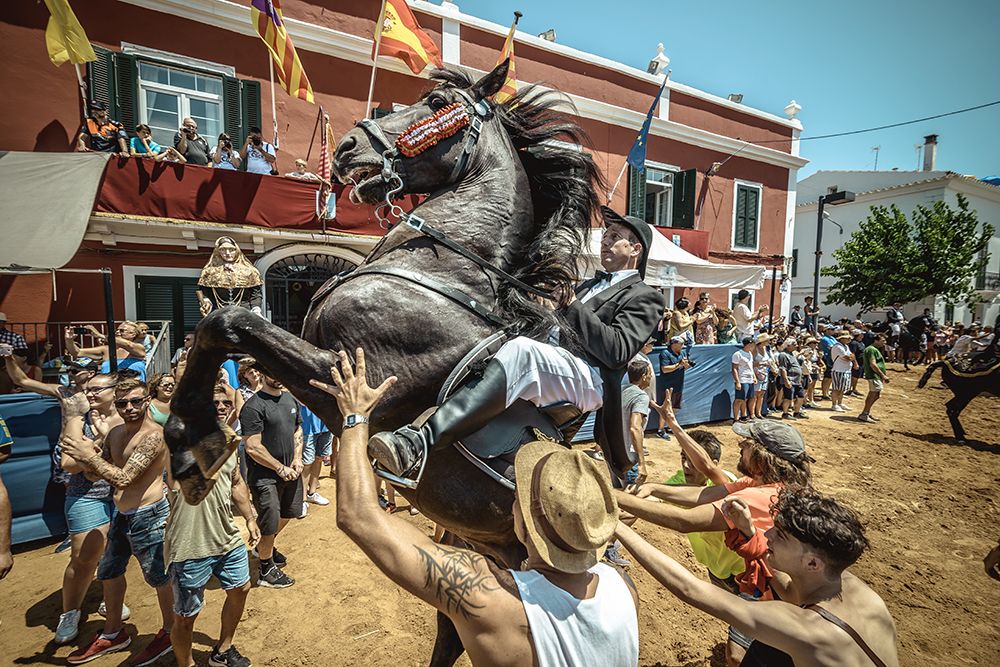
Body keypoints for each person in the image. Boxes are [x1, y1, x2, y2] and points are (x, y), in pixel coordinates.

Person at [311, 348, 640, 667]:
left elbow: (358, 516)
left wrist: (355, 415)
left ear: (524, 521)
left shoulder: (492, 599)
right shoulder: (623, 589)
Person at [368, 206, 664, 485]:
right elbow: (564, 321)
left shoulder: (646, 296)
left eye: (615, 236)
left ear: (635, 249)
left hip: (591, 377)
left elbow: (617, 351)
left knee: (523, 351)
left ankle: (418, 443)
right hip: (559, 364)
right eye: (606, 234)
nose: (605, 240)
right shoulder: (589, 284)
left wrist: (571, 303)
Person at [617, 485, 899, 667]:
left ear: (812, 562)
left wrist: (618, 527)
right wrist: (749, 533)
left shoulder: (809, 630)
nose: (768, 534)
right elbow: (789, 589)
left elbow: (691, 590)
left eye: (781, 535)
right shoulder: (852, 586)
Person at [618, 419, 814, 665]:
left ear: (763, 457)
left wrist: (614, 497)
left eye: (748, 443)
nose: (741, 445)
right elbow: (707, 494)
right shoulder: (761, 483)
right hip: (772, 582)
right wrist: (655, 489)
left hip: (775, 590)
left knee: (742, 655)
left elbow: (687, 521)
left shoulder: (759, 496)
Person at [61, 378, 174, 666]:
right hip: (121, 515)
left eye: (136, 401)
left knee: (161, 579)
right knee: (109, 573)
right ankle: (113, 634)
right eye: (123, 403)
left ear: (147, 400)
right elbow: (97, 474)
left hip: (149, 516)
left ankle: (170, 633)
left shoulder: (155, 435)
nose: (130, 407)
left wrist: (89, 457)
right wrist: (88, 457)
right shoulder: (115, 433)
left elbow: (125, 477)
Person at [166, 385, 259, 667]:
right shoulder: (181, 442)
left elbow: (236, 483)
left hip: (226, 535)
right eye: (213, 402)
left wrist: (250, 517)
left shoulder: (230, 443)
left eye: (225, 402)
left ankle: (223, 649)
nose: (220, 406)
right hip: (189, 543)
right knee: (185, 616)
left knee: (241, 589)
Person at [54, 373, 129, 645]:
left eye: (97, 389)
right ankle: (70, 611)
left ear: (115, 390)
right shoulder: (77, 420)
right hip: (86, 495)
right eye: (88, 389)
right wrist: (98, 461)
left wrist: (91, 454)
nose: (91, 394)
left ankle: (112, 602)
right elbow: (68, 464)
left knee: (114, 554)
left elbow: (128, 459)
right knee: (84, 556)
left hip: (121, 494)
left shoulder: (126, 416)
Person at [658, 400, 744, 593]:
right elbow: (649, 499)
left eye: (692, 460)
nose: (686, 466)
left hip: (743, 571)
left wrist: (673, 423)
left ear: (712, 462)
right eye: (683, 458)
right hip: (715, 569)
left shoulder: (727, 482)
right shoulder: (678, 480)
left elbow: (710, 474)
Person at [240, 371, 302, 589]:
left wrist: (297, 458)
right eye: (270, 371)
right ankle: (265, 569)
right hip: (265, 477)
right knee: (269, 522)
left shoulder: (289, 399)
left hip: (291, 472)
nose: (276, 375)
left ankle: (264, 546)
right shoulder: (253, 407)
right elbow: (252, 446)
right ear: (262, 374)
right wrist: (279, 468)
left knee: (288, 514)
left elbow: (297, 430)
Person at [198, 237, 264, 316]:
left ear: (237, 250)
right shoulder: (209, 272)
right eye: (223, 250)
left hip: (244, 313)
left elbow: (256, 294)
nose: (227, 253)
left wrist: (256, 310)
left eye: (231, 249)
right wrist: (206, 303)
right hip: (218, 312)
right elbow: (205, 293)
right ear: (218, 251)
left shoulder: (250, 271)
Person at [64, 322, 147, 380]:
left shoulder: (139, 348)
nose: (117, 332)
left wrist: (100, 335)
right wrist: (69, 339)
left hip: (134, 391)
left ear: (133, 334)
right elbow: (77, 352)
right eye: (117, 330)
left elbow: (129, 345)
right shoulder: (106, 349)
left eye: (122, 330)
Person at [300, 404, 333, 511]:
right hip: (306, 426)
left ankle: (312, 493)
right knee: (306, 464)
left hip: (326, 425)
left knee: (319, 459)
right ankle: (302, 499)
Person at [858, 334, 890, 424]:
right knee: (873, 394)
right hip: (874, 375)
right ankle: (865, 413)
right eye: (882, 340)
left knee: (876, 394)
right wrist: (882, 375)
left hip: (876, 376)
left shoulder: (873, 349)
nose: (884, 342)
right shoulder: (871, 349)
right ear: (876, 340)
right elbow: (873, 364)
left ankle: (867, 412)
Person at [659, 335, 690, 418]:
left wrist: (686, 365)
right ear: (674, 344)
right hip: (667, 385)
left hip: (678, 385)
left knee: (675, 407)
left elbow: (685, 367)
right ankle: (660, 429)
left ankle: (670, 426)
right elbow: (665, 369)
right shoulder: (665, 353)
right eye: (681, 344)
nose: (683, 346)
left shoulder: (683, 352)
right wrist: (679, 365)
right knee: (665, 407)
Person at [776, 338, 807, 420]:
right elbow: (782, 369)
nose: (796, 345)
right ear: (788, 345)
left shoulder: (792, 354)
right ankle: (785, 413)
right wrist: (786, 381)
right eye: (794, 344)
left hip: (797, 380)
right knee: (788, 397)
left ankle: (797, 412)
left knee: (801, 396)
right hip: (790, 380)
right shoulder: (783, 355)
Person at [731, 337, 757, 422]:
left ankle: (744, 416)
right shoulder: (738, 354)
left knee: (749, 398)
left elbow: (751, 367)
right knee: (739, 399)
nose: (753, 346)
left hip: (750, 379)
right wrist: (738, 382)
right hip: (742, 379)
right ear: (748, 344)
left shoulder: (750, 354)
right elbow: (734, 368)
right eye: (751, 344)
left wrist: (754, 376)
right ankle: (736, 418)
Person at [829, 331, 856, 412]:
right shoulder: (837, 347)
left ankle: (840, 403)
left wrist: (851, 357)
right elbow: (847, 357)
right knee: (836, 388)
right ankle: (834, 404)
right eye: (847, 338)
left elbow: (852, 356)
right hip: (838, 370)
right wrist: (851, 357)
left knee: (842, 388)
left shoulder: (846, 346)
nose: (848, 339)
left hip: (845, 370)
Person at [751, 334, 774, 420]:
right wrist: (762, 364)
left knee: (761, 394)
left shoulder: (765, 349)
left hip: (765, 374)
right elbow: (751, 363)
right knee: (756, 394)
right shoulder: (755, 349)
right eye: (768, 340)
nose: (769, 342)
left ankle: (758, 413)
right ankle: (753, 414)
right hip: (757, 374)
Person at [818, 324, 837, 400]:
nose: (833, 331)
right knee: (827, 377)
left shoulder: (832, 338)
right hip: (827, 359)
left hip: (833, 359)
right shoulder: (824, 339)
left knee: (830, 377)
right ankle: (824, 393)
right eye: (832, 329)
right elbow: (832, 347)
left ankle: (827, 392)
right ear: (827, 330)